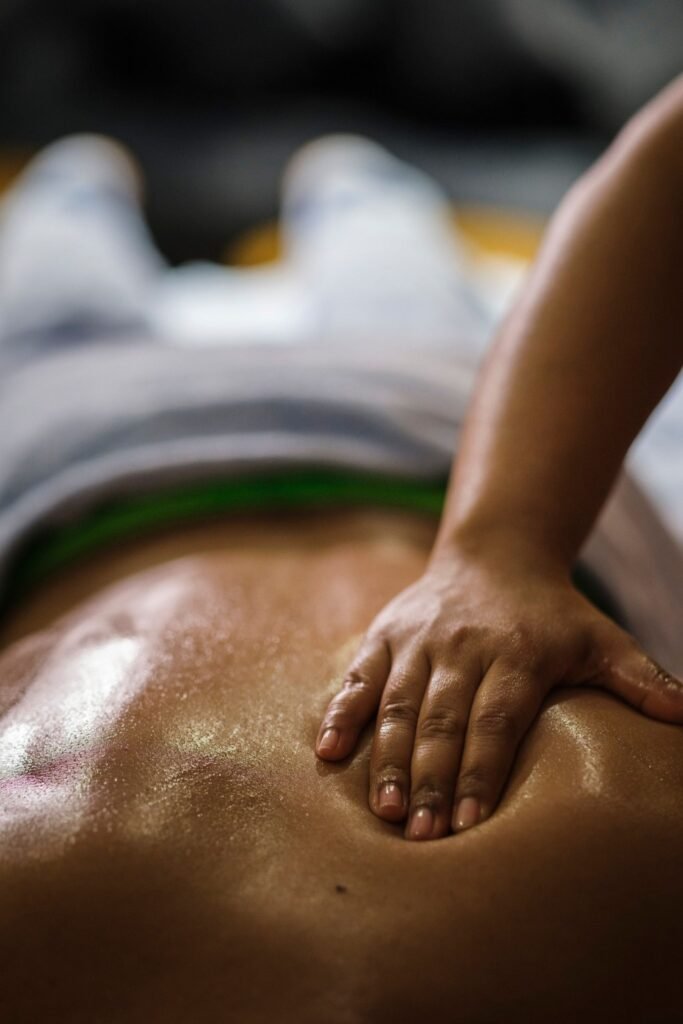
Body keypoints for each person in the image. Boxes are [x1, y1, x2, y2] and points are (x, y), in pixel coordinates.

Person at [0, 82, 682, 1022]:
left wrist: (500, 550)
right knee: (63, 288)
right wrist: (498, 553)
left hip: (415, 434)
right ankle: (121, 175)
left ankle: (292, 169)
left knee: (380, 262)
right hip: (128, 453)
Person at [317, 73, 683, 840]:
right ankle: (342, 170)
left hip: (414, 400)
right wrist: (498, 552)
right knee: (372, 239)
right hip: (418, 402)